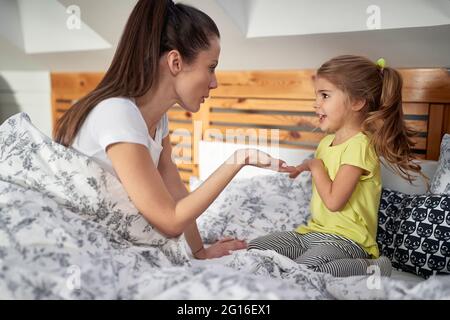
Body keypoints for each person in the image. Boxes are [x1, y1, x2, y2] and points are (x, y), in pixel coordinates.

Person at [54, 0, 292, 260]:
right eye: (211, 67)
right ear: (175, 62)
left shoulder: (158, 120)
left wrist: (200, 252)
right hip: (70, 239)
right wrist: (239, 159)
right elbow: (170, 219)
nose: (214, 83)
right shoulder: (118, 113)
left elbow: (176, 193)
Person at [248, 55, 424, 277]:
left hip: (348, 241)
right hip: (311, 233)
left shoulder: (361, 145)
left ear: (357, 102)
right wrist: (303, 166)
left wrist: (315, 165)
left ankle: (373, 266)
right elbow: (320, 168)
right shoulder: (325, 143)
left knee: (304, 271)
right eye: (316, 95)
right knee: (255, 249)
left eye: (325, 95)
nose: (316, 104)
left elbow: (334, 201)